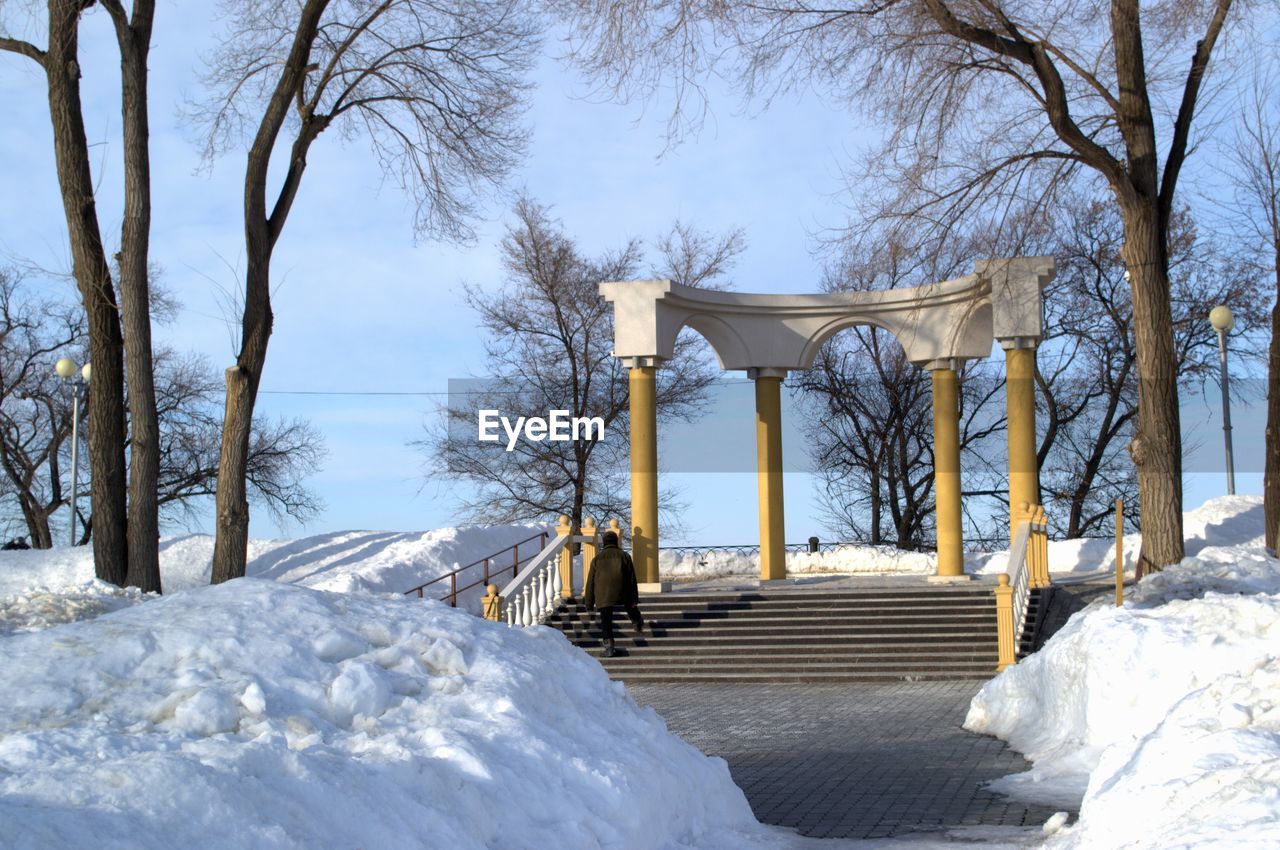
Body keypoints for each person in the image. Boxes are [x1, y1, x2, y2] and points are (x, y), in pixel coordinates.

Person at [583, 530, 646, 658]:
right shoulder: (624, 556)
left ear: (604, 543)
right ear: (616, 542)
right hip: (623, 591)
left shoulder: (597, 559)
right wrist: (635, 598)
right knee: (630, 604)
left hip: (603, 594)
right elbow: (631, 579)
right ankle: (637, 621)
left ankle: (609, 647)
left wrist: (589, 603)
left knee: (606, 621)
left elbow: (590, 583)